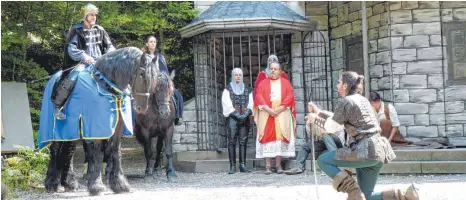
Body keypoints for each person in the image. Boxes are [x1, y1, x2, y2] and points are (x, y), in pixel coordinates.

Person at [307, 71, 419, 200]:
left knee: (323, 160)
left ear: (345, 85)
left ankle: (352, 190)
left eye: (338, 82)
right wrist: (318, 112)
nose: (337, 86)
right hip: (378, 151)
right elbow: (338, 119)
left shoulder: (346, 101)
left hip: (362, 152)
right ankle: (405, 194)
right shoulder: (363, 100)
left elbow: (332, 127)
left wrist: (314, 119)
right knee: (368, 196)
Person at [51, 3, 115, 120]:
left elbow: (109, 46)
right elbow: (71, 48)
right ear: (85, 16)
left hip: (100, 63)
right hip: (82, 64)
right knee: (73, 77)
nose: (93, 17)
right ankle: (58, 106)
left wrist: (109, 55)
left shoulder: (100, 29)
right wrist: (84, 56)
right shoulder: (76, 30)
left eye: (94, 14)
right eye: (90, 15)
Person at [254, 61, 296, 174]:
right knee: (267, 140)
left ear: (280, 71)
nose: (273, 71)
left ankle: (278, 166)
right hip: (267, 115)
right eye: (271, 68)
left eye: (275, 69)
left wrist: (279, 109)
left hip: (281, 114)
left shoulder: (286, 83)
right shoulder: (262, 83)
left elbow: (290, 96)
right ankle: (268, 166)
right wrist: (268, 110)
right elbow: (258, 96)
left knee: (279, 141)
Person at [143, 35, 184, 125]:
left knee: (177, 94)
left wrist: (169, 82)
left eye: (154, 42)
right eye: (151, 42)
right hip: (149, 83)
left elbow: (165, 71)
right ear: (147, 43)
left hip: (161, 83)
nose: (153, 43)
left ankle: (178, 116)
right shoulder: (144, 57)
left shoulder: (160, 57)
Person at [221, 68, 253, 174]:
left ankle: (243, 165)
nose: (238, 76)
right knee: (232, 141)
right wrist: (237, 115)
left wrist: (245, 115)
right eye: (236, 75)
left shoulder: (248, 89)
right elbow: (226, 104)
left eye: (240, 75)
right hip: (232, 118)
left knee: (243, 142)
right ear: (233, 76)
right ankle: (233, 166)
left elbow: (251, 104)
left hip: (244, 117)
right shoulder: (227, 89)